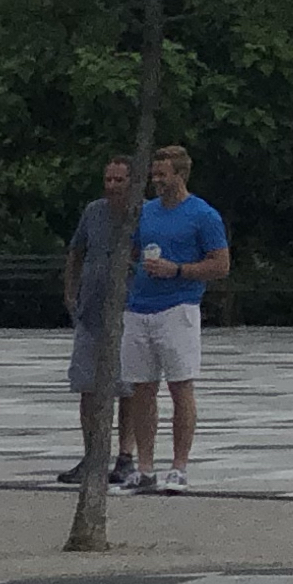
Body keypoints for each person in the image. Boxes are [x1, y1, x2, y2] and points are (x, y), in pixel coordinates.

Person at [117, 143, 230, 495]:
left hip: (178, 307)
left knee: (180, 386)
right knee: (141, 388)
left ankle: (179, 466)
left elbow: (221, 265)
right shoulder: (146, 212)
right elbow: (132, 250)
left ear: (180, 175)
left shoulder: (203, 215)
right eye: (154, 175)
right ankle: (145, 466)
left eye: (162, 175)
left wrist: (178, 269)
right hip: (139, 307)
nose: (156, 181)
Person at [58, 154, 140, 488]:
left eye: (119, 180)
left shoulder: (143, 215)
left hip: (128, 310)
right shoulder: (93, 212)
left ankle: (125, 455)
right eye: (108, 179)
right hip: (91, 311)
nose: (112, 187)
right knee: (87, 384)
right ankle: (92, 455)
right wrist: (70, 292)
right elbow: (76, 251)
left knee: (128, 386)